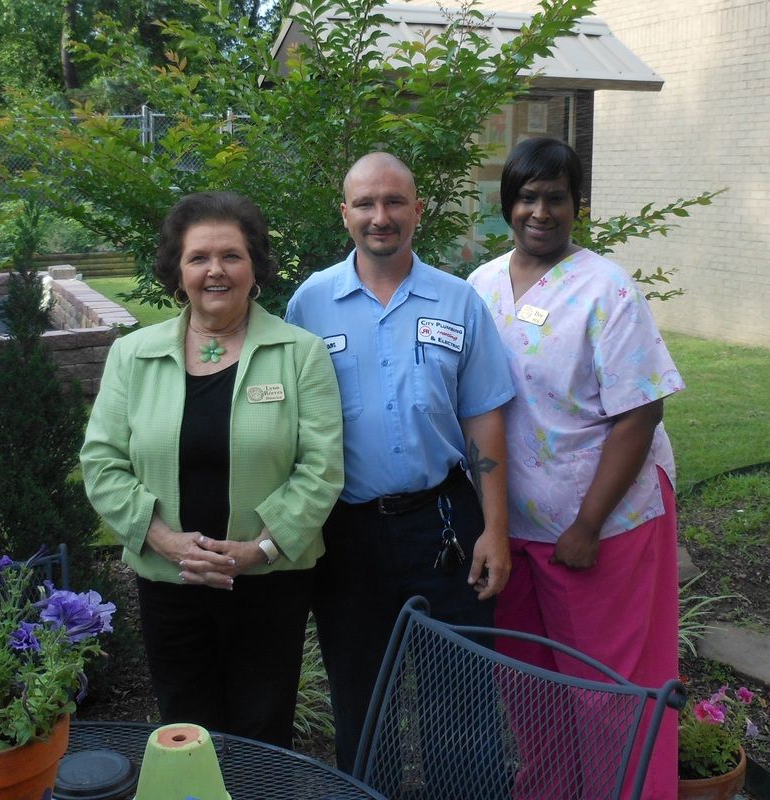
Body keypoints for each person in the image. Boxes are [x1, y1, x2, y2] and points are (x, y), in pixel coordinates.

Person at [80, 191, 344, 749]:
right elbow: (102, 462)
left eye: (232, 256)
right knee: (185, 731)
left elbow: (321, 467)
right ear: (178, 271)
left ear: (256, 268)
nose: (215, 271)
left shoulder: (301, 353)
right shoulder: (134, 355)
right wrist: (166, 542)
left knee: (262, 733)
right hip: (170, 580)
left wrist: (261, 550)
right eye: (199, 257)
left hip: (270, 584)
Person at [467, 136, 684, 798]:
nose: (540, 211)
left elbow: (638, 414)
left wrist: (587, 526)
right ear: (507, 204)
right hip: (513, 533)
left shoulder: (605, 288)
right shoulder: (478, 285)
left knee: (605, 694)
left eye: (554, 198)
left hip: (600, 527)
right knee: (530, 688)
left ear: (575, 206)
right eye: (527, 197)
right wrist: (490, 525)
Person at [285, 152, 515, 771]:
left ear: (417, 211)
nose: (379, 217)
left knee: (461, 702)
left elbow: (484, 417)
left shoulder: (458, 300)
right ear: (345, 214)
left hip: (443, 524)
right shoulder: (310, 305)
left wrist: (495, 530)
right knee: (362, 701)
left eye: (393, 203)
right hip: (346, 533)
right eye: (365, 203)